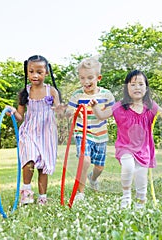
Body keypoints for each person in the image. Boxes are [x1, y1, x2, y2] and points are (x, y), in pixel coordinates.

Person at [90, 69, 162, 209]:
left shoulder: (150, 105)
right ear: (127, 88)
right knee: (128, 167)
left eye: (140, 84)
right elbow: (102, 116)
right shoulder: (120, 106)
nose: (137, 87)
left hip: (144, 149)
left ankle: (141, 202)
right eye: (133, 84)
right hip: (125, 147)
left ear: (146, 87)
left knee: (141, 176)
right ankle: (126, 198)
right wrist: (95, 107)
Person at [6, 55, 62, 205]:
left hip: (47, 133)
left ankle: (42, 197)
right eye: (31, 71)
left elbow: (59, 111)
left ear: (46, 72)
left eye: (39, 71)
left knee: (43, 166)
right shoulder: (25, 92)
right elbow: (20, 116)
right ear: (27, 72)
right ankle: (26, 192)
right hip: (29, 131)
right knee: (29, 159)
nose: (35, 75)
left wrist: (62, 109)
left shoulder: (52, 91)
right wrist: (12, 111)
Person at [66, 57, 115, 201]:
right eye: (82, 78)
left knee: (99, 167)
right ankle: (80, 193)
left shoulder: (106, 95)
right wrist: (74, 112)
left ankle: (93, 178)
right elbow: (69, 112)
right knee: (85, 161)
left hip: (100, 135)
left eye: (90, 78)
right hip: (82, 132)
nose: (86, 81)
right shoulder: (77, 95)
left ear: (98, 77)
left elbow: (114, 110)